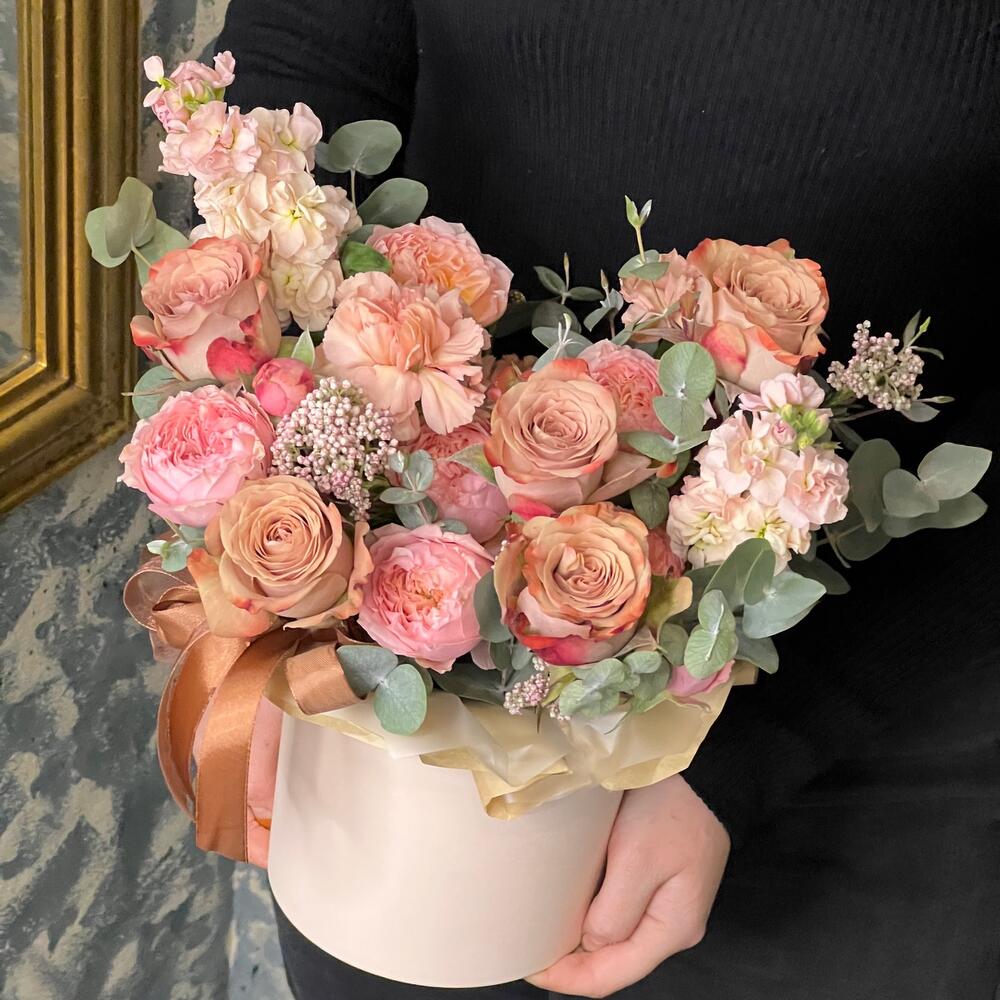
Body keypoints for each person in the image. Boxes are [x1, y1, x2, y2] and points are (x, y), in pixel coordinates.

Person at [217, 3, 1000, 997]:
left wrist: (763, 743)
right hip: (406, 651)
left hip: (879, 721)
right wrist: (278, 578)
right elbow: (304, 66)